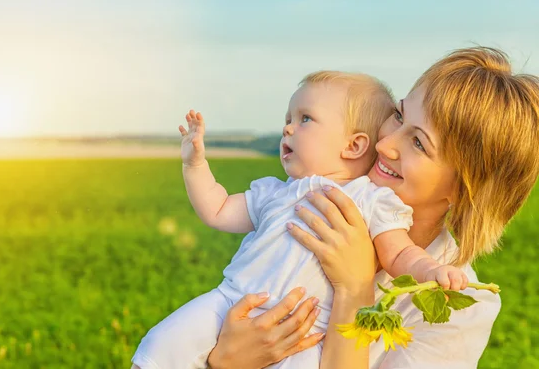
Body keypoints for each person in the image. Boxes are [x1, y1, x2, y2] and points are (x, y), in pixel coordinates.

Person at [205, 47, 539, 369]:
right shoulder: (314, 201)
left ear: (466, 190)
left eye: (419, 143)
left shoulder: (457, 306)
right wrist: (223, 361)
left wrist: (354, 291)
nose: (384, 144)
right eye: (398, 116)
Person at [132, 69, 471, 369]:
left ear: (353, 145)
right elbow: (217, 209)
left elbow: (399, 253)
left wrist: (431, 271)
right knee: (162, 343)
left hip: (310, 333)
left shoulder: (370, 200)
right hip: (233, 300)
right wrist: (194, 166)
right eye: (398, 116)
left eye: (305, 119)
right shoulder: (276, 192)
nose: (288, 128)